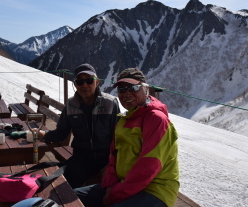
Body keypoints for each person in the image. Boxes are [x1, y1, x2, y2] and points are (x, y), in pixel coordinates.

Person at [75, 68, 179, 207]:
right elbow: (114, 157)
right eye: (121, 90)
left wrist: (114, 194)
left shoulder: (156, 120)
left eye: (133, 87)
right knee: (72, 197)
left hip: (155, 190)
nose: (126, 93)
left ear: (145, 88)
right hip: (123, 185)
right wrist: (110, 185)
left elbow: (148, 168)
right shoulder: (125, 119)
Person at [33, 63, 120, 188]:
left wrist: (112, 163)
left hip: (106, 157)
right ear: (75, 85)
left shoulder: (110, 103)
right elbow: (61, 132)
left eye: (89, 80)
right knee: (63, 188)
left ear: (97, 82)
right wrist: (44, 135)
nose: (84, 85)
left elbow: (119, 137)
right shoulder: (71, 105)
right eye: (80, 82)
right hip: (82, 157)